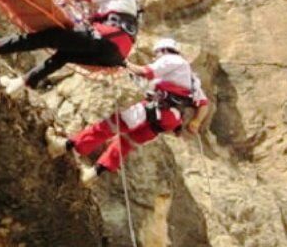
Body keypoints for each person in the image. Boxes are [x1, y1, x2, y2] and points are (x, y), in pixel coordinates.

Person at [46, 37, 209, 185]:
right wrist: (196, 122)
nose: (155, 57)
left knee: (109, 125)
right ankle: (93, 174)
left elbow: (146, 72)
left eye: (156, 54)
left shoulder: (172, 60)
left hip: (155, 108)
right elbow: (203, 103)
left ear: (163, 50)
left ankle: (63, 146)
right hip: (168, 120)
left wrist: (123, 62)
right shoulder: (193, 79)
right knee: (126, 143)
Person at [0, 0, 139, 95]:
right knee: (64, 54)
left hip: (107, 40)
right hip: (114, 56)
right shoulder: (128, 5)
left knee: (50, 36)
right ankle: (21, 84)